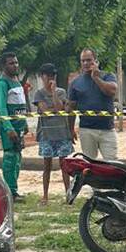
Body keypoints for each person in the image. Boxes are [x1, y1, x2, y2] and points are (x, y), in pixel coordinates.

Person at [33, 62, 74, 204]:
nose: (50, 78)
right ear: (42, 77)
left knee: (64, 165)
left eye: (53, 75)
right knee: (47, 166)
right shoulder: (38, 93)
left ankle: (68, 194)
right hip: (46, 135)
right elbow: (45, 111)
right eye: (47, 75)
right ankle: (45, 195)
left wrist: (54, 92)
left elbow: (60, 107)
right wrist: (54, 109)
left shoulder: (61, 92)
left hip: (62, 133)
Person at [67, 47, 118, 160]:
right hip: (86, 130)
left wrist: (96, 78)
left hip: (107, 129)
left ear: (95, 61)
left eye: (89, 60)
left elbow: (111, 91)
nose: (85, 63)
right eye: (83, 60)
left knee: (112, 162)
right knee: (89, 164)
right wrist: (70, 129)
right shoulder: (75, 83)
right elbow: (71, 107)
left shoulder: (108, 76)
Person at [0, 53, 28, 199]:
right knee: (9, 158)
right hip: (10, 129)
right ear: (4, 66)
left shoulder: (17, 82)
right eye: (11, 63)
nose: (15, 65)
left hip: (20, 127)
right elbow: (1, 108)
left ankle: (14, 190)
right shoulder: (2, 83)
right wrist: (9, 128)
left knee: (17, 158)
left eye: (16, 62)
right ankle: (9, 192)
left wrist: (25, 123)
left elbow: (22, 105)